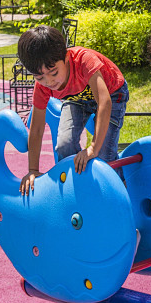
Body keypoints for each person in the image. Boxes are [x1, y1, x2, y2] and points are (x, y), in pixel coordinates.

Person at [17, 25, 129, 196]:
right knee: (64, 144)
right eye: (40, 77)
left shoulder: (85, 61)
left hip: (112, 93)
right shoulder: (42, 86)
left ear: (67, 57)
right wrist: (33, 169)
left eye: (54, 72)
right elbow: (37, 127)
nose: (49, 81)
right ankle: (76, 187)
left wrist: (93, 147)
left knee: (104, 152)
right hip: (76, 99)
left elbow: (104, 102)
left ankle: (121, 192)